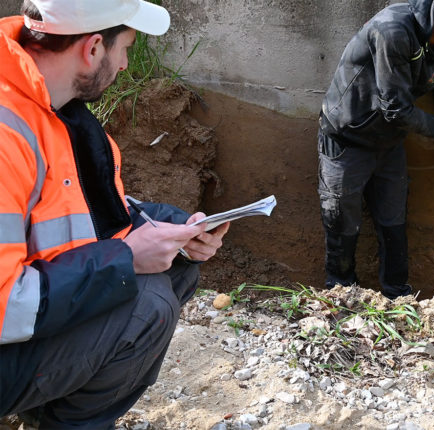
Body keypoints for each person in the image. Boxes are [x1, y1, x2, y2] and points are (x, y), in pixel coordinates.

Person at [0, 0, 230, 426]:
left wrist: (169, 226)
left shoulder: (50, 107)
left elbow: (85, 211)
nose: (125, 65)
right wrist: (124, 258)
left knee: (175, 269)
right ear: (91, 49)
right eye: (124, 48)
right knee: (147, 307)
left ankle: (41, 407)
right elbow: (4, 307)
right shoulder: (6, 134)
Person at [318, 0, 434, 299]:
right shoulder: (393, 30)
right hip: (346, 140)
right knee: (342, 225)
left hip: (390, 143)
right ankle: (340, 296)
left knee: (393, 224)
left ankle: (398, 299)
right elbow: (397, 110)